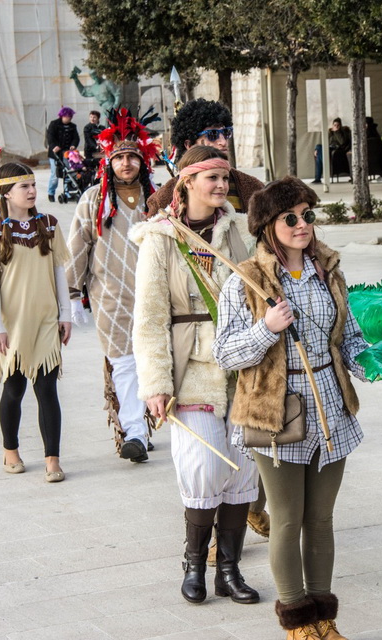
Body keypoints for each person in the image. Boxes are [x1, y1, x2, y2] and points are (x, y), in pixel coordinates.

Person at [213, 176, 382, 640]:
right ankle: (297, 622)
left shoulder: (328, 272)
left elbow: (349, 339)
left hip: (330, 407)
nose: (302, 225)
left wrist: (372, 360)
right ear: (267, 227)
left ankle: (324, 618)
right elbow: (225, 354)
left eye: (308, 215)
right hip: (276, 412)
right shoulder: (245, 282)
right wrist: (267, 328)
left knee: (321, 520)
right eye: (290, 218)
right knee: (287, 517)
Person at [131, 145, 260, 606]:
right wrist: (156, 385)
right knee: (204, 466)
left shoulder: (242, 230)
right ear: (186, 182)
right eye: (212, 178)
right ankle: (194, 562)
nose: (222, 186)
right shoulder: (161, 238)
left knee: (244, 464)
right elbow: (148, 319)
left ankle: (230, 568)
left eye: (226, 178)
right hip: (190, 368)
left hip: (245, 363)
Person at [67, 110, 158, 462]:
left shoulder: (158, 198)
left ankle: (153, 420)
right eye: (119, 157)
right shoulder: (94, 198)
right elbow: (78, 245)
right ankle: (134, 432)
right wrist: (73, 294)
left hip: (155, 294)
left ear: (142, 161)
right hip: (111, 295)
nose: (125, 163)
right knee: (123, 364)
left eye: (131, 157)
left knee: (155, 360)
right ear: (109, 161)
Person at [0, 162, 73, 483]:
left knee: (47, 390)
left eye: (33, 185)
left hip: (46, 321)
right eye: (24, 186)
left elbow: (60, 271)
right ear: (6, 192)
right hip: (12, 325)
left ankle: (52, 460)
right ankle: (11, 451)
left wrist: (66, 314)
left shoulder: (49, 225)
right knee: (14, 389)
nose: (32, 191)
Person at [148, 99, 263, 215]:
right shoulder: (162, 200)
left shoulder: (253, 188)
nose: (223, 142)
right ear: (189, 145)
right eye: (212, 135)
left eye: (226, 133)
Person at [46, 107, 80, 202]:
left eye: (70, 117)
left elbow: (76, 138)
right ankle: (51, 192)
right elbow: (50, 137)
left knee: (68, 173)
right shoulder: (54, 124)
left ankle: (68, 192)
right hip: (55, 154)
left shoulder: (73, 126)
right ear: (62, 116)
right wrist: (54, 146)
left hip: (68, 154)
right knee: (55, 175)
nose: (68, 118)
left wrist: (73, 145)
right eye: (66, 116)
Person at [83, 110, 105, 174]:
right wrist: (96, 146)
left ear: (98, 118)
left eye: (94, 117)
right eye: (91, 117)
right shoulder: (87, 127)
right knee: (91, 168)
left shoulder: (102, 127)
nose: (92, 119)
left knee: (101, 166)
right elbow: (88, 139)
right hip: (90, 151)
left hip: (101, 151)